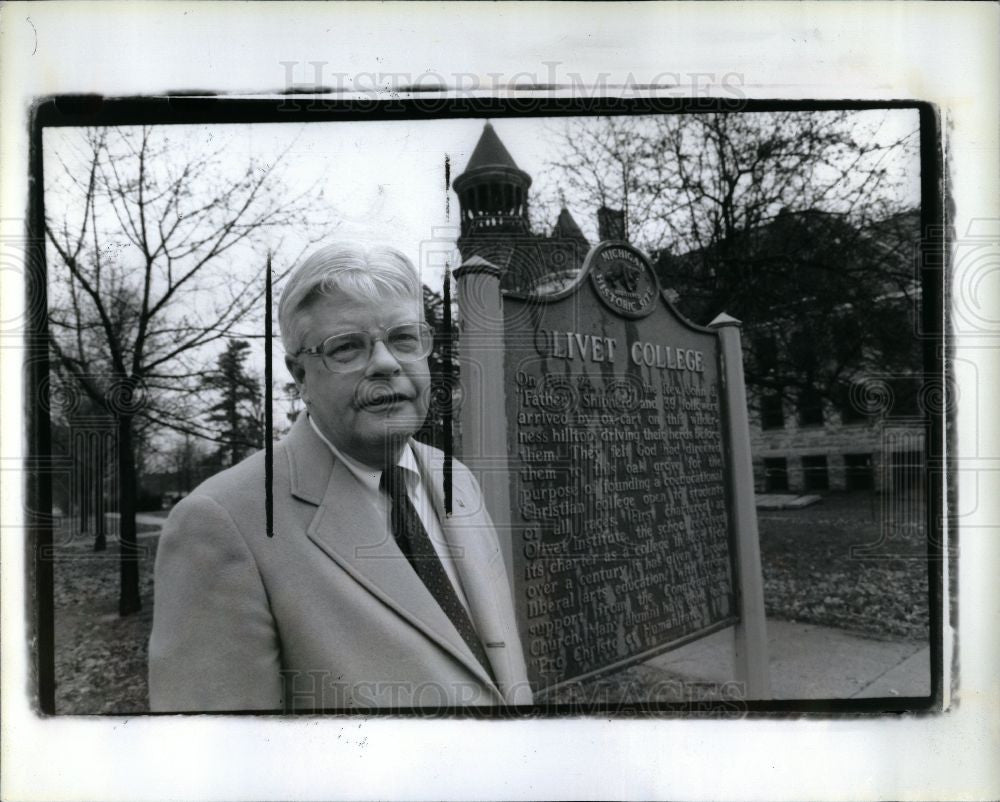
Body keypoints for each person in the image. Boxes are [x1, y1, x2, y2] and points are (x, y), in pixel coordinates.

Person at [149, 242, 531, 711]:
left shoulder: (457, 480)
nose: (387, 363)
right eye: (347, 347)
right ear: (300, 375)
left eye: (405, 338)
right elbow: (222, 768)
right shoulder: (222, 522)